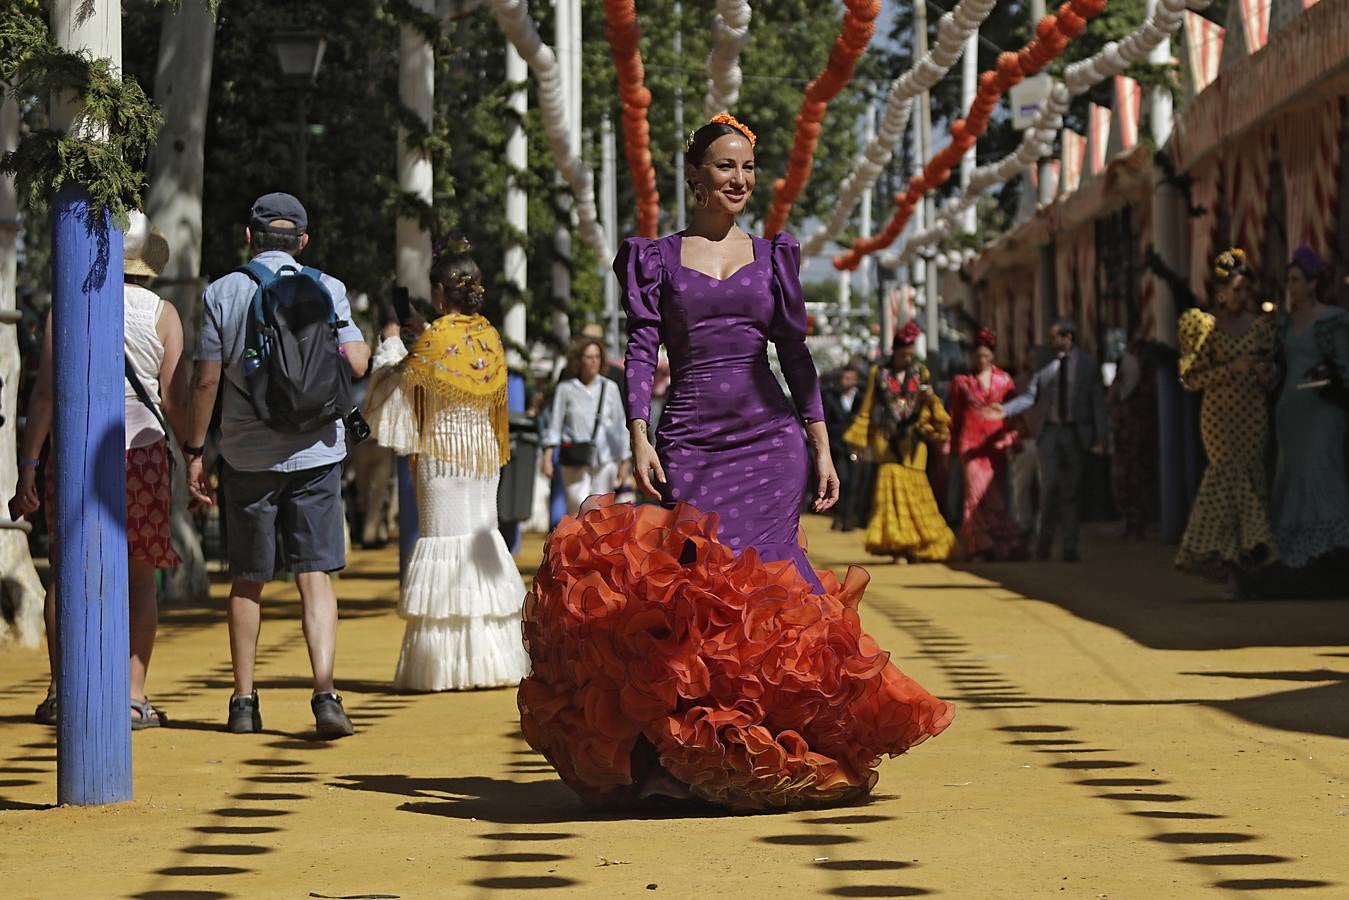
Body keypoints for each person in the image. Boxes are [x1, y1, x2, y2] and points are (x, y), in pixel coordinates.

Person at [517, 114, 952, 811]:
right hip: (690, 439)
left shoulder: (775, 256)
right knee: (700, 595)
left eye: (747, 169)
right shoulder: (654, 258)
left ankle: (784, 743)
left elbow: (796, 354)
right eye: (725, 167)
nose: (740, 180)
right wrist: (637, 431)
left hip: (769, 442)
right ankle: (689, 752)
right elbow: (639, 350)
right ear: (694, 176)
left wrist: (817, 440)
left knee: (777, 590)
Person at [183, 193, 371, 737]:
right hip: (317, 452)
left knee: (247, 579)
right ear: (303, 242)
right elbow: (358, 361)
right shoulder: (328, 288)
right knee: (314, 575)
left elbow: (206, 380)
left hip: (245, 454)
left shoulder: (222, 292)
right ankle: (326, 693)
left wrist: (196, 450)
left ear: (249, 237)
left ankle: (243, 701)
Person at [9, 213, 188, 729]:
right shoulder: (164, 314)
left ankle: (63, 690)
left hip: (74, 454)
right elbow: (174, 399)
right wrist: (195, 452)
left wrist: (28, 464)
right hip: (144, 455)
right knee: (139, 581)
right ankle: (133, 697)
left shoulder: (66, 309)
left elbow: (43, 393)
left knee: (66, 576)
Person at [363, 246, 530, 691]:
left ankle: (445, 666)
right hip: (482, 453)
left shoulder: (434, 340)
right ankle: (492, 663)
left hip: (443, 452)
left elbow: (393, 387)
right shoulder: (489, 337)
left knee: (443, 542)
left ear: (439, 292)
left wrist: (392, 341)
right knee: (480, 540)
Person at [1174, 249, 1278, 593]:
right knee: (1226, 479)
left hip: (1253, 414)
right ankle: (1223, 563)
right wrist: (1231, 370)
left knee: (1251, 478)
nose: (1242, 296)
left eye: (1246, 290)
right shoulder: (1205, 326)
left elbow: (1274, 371)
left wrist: (1265, 373)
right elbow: (1191, 379)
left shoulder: (1262, 325)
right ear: (1221, 290)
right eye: (1236, 289)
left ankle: (1250, 565)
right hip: (1219, 417)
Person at [991, 317, 1106, 563]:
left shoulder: (1088, 365)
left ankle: (1069, 547)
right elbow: (1031, 396)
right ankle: (1044, 543)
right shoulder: (1046, 366)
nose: (1050, 342)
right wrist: (1006, 409)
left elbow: (1097, 403)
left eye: (1054, 336)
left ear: (1068, 338)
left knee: (1071, 491)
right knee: (1049, 487)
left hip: (1075, 433)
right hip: (1050, 433)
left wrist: (1101, 436)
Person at [844, 321, 957, 563]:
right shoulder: (879, 373)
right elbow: (867, 406)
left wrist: (930, 400)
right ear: (894, 351)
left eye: (911, 353)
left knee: (917, 492)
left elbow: (929, 406)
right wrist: (859, 441)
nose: (908, 358)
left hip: (914, 443)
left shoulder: (922, 372)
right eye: (904, 353)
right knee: (889, 493)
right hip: (886, 439)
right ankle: (897, 546)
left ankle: (918, 544)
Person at [1271, 245, 1349, 573]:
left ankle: (1335, 552)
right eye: (1288, 280)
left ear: (1313, 283)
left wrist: (1330, 376)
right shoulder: (1285, 325)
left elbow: (1345, 364)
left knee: (1322, 470)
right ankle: (1296, 558)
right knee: (1293, 475)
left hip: (1323, 409)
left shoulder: (1333, 319)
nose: (1291, 286)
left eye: (1296, 280)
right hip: (1291, 412)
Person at [948, 328, 1026, 561]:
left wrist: (1013, 437)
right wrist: (950, 445)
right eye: (977, 355)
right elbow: (955, 415)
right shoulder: (962, 382)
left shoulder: (1004, 380)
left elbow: (1014, 414)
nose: (981, 359)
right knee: (974, 495)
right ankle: (979, 545)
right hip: (970, 445)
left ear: (992, 356)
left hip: (995, 445)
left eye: (985, 355)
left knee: (996, 495)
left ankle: (1000, 543)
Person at [540, 337, 631, 514]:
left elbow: (620, 425)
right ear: (579, 360)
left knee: (602, 510)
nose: (594, 361)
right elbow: (555, 424)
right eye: (589, 357)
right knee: (577, 506)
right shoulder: (566, 389)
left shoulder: (610, 387)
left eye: (597, 356)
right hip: (575, 456)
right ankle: (578, 542)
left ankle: (597, 543)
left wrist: (625, 460)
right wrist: (547, 457)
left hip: (605, 457)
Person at [1107, 334, 1159, 540]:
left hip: (1133, 440)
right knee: (1130, 480)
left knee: (1132, 481)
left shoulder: (1141, 392)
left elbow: (1112, 397)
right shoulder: (1138, 389)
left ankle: (1136, 523)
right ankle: (1134, 523)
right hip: (1130, 438)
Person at [822, 365, 865, 531]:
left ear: (854, 380)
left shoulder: (861, 399)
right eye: (842, 378)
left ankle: (848, 518)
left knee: (854, 484)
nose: (844, 381)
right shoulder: (830, 397)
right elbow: (827, 422)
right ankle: (838, 517)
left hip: (856, 447)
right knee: (842, 481)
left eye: (848, 378)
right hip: (838, 447)